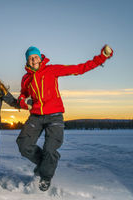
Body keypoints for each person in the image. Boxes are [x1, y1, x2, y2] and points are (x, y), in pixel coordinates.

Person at [16, 45, 113, 191]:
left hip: (54, 115)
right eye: (30, 58)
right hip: (36, 116)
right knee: (23, 145)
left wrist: (102, 58)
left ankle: (45, 176)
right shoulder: (26, 78)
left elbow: (79, 69)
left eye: (35, 56)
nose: (34, 60)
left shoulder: (52, 70)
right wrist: (24, 102)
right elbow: (23, 95)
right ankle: (46, 163)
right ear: (27, 61)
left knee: (50, 149)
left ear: (40, 58)